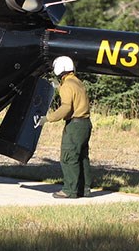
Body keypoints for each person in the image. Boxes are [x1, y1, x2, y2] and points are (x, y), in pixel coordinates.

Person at [47, 56, 92, 198]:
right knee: (82, 157)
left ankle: (69, 191)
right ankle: (84, 189)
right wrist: (58, 86)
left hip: (75, 126)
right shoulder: (77, 82)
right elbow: (74, 95)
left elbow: (66, 107)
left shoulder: (67, 85)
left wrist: (48, 118)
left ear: (59, 69)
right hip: (85, 124)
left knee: (69, 157)